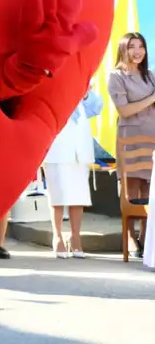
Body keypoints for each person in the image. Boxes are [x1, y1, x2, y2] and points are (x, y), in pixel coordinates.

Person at [108, 32, 154, 258]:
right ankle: (129, 237)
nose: (138, 51)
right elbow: (124, 110)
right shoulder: (116, 76)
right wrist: (151, 99)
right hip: (129, 139)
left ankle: (147, 237)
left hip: (152, 138)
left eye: (141, 46)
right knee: (130, 189)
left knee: (149, 190)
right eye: (132, 47)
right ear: (123, 50)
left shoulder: (151, 76)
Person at [43, 86, 103, 258]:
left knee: (79, 194)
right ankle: (58, 236)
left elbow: (96, 107)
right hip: (58, 142)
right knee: (58, 192)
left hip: (80, 144)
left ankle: (76, 237)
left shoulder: (84, 77)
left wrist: (85, 94)